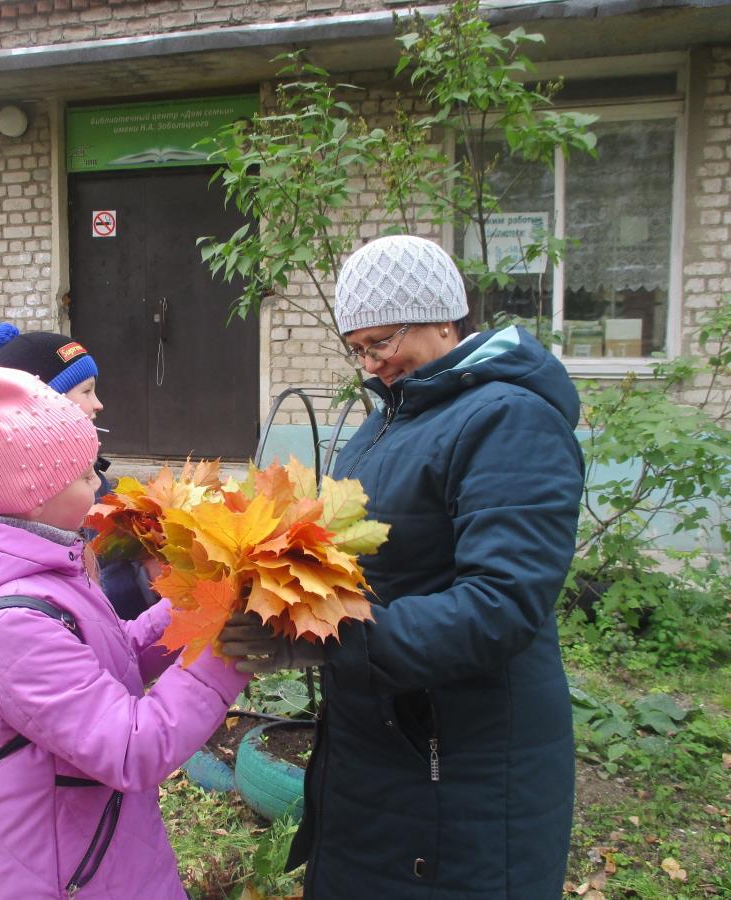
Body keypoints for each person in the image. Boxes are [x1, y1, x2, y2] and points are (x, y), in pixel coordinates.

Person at [219, 234, 583, 898]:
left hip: (459, 764)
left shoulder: (509, 420)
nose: (373, 364)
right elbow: (358, 566)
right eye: (359, 349)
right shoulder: (390, 419)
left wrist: (324, 638)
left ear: (444, 316)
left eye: (383, 343)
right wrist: (280, 585)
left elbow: (498, 608)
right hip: (377, 749)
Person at [0, 361, 248, 899]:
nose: (99, 481)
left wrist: (200, 602)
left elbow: (116, 657)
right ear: (37, 494)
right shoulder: (11, 627)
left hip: (100, 847)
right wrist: (228, 647)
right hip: (63, 875)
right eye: (87, 473)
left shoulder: (42, 565)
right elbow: (133, 748)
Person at [0, 322, 157, 618]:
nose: (98, 404)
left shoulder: (76, 474)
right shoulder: (16, 496)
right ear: (44, 404)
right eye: (86, 391)